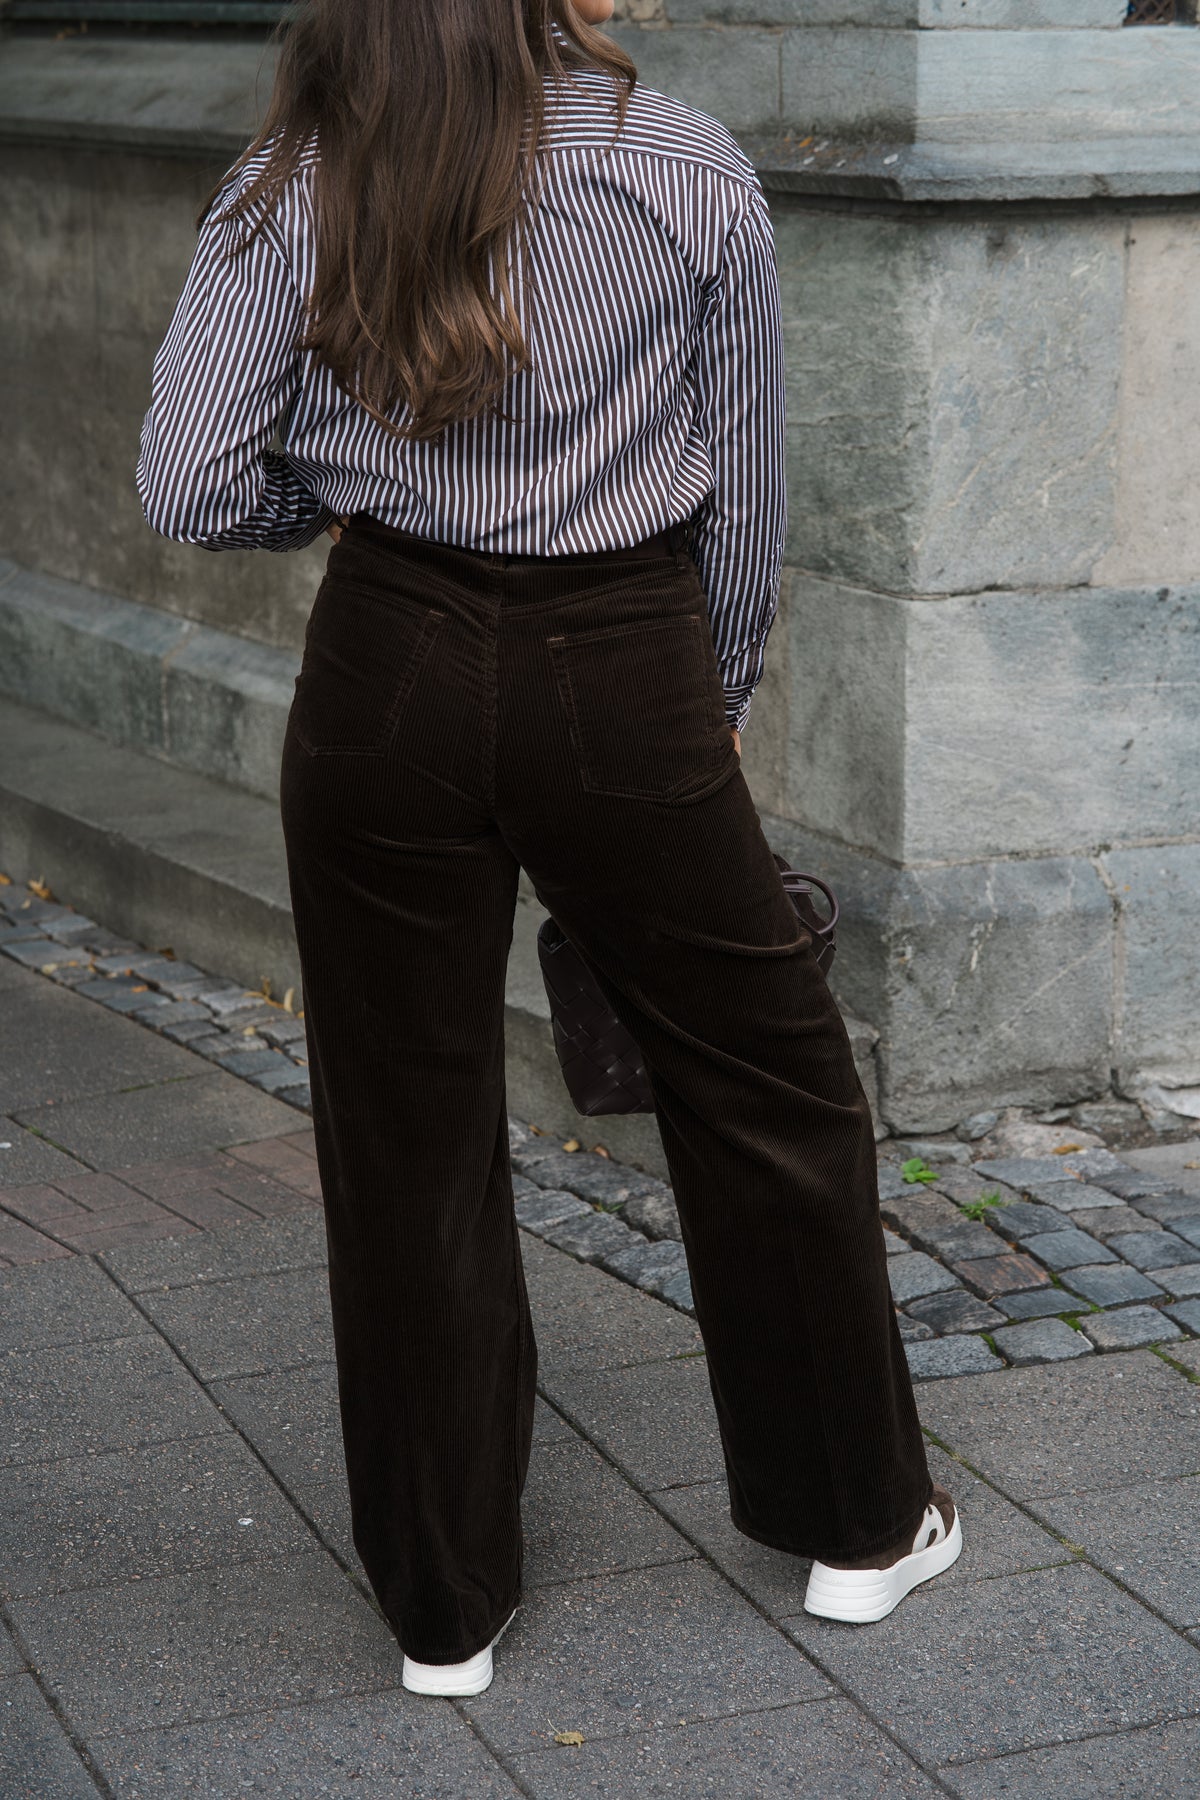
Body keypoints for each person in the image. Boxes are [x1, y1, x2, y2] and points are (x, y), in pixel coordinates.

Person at [136, 0, 960, 1700]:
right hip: (624, 659)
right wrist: (712, 700)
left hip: (385, 665)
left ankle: (444, 1610)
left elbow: (192, 482)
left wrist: (334, 502)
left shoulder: (293, 174)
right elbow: (750, 488)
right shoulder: (682, 164)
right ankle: (859, 1527)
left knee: (403, 1121)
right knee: (771, 1084)